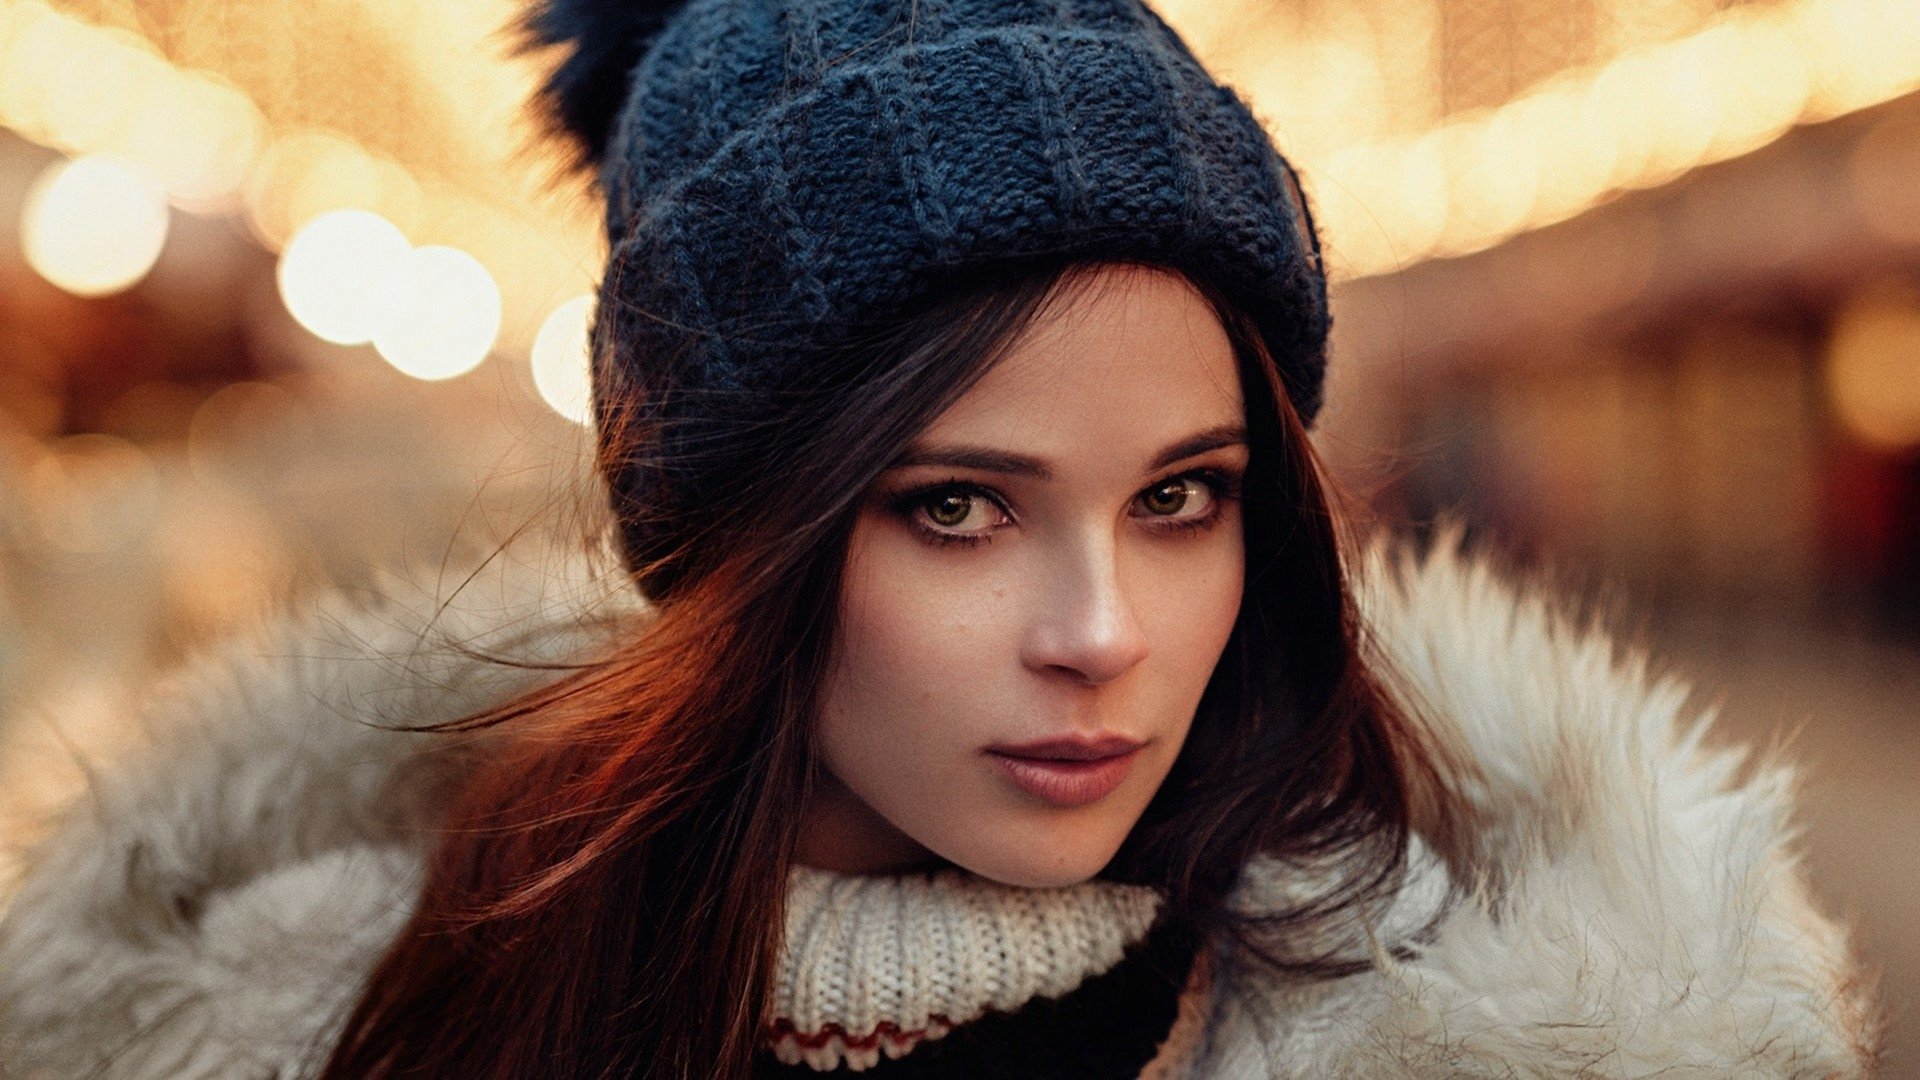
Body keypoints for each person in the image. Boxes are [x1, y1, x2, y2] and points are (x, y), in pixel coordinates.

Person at [0, 0, 1880, 1076]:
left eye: (1181, 499)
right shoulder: (309, 1019)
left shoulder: (1543, 1032)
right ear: (733, 542)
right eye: (957, 507)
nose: (1104, 632)